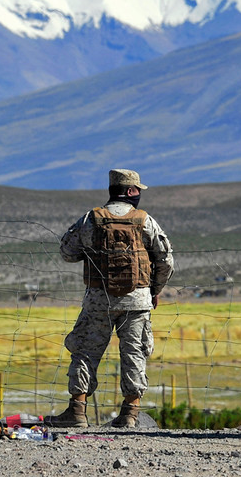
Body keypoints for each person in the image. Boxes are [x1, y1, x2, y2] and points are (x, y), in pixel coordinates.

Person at [47, 169, 174, 428]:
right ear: (130, 191)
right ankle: (130, 414)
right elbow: (166, 260)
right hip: (137, 301)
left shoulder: (90, 219)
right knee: (134, 353)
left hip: (98, 300)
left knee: (85, 351)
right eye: (138, 190)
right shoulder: (145, 221)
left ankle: (77, 412)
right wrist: (154, 290)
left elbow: (67, 252)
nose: (139, 194)